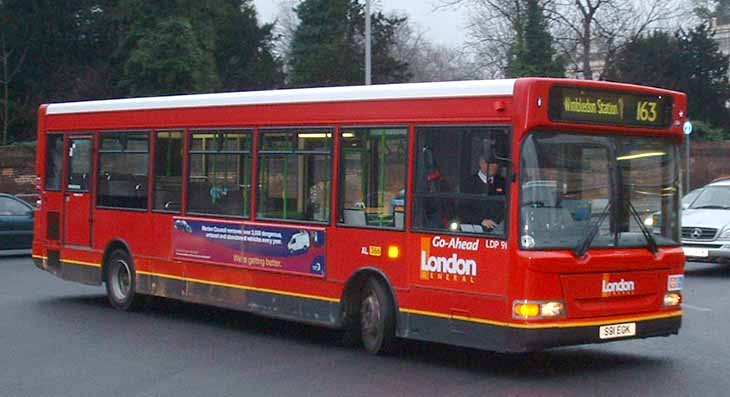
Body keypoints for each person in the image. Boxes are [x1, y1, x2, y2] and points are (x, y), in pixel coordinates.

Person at [460, 154, 506, 230]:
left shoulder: (503, 183)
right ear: (481, 163)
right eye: (490, 163)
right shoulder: (468, 183)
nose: (493, 166)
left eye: (496, 163)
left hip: (500, 230)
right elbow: (462, 210)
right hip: (475, 229)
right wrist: (481, 220)